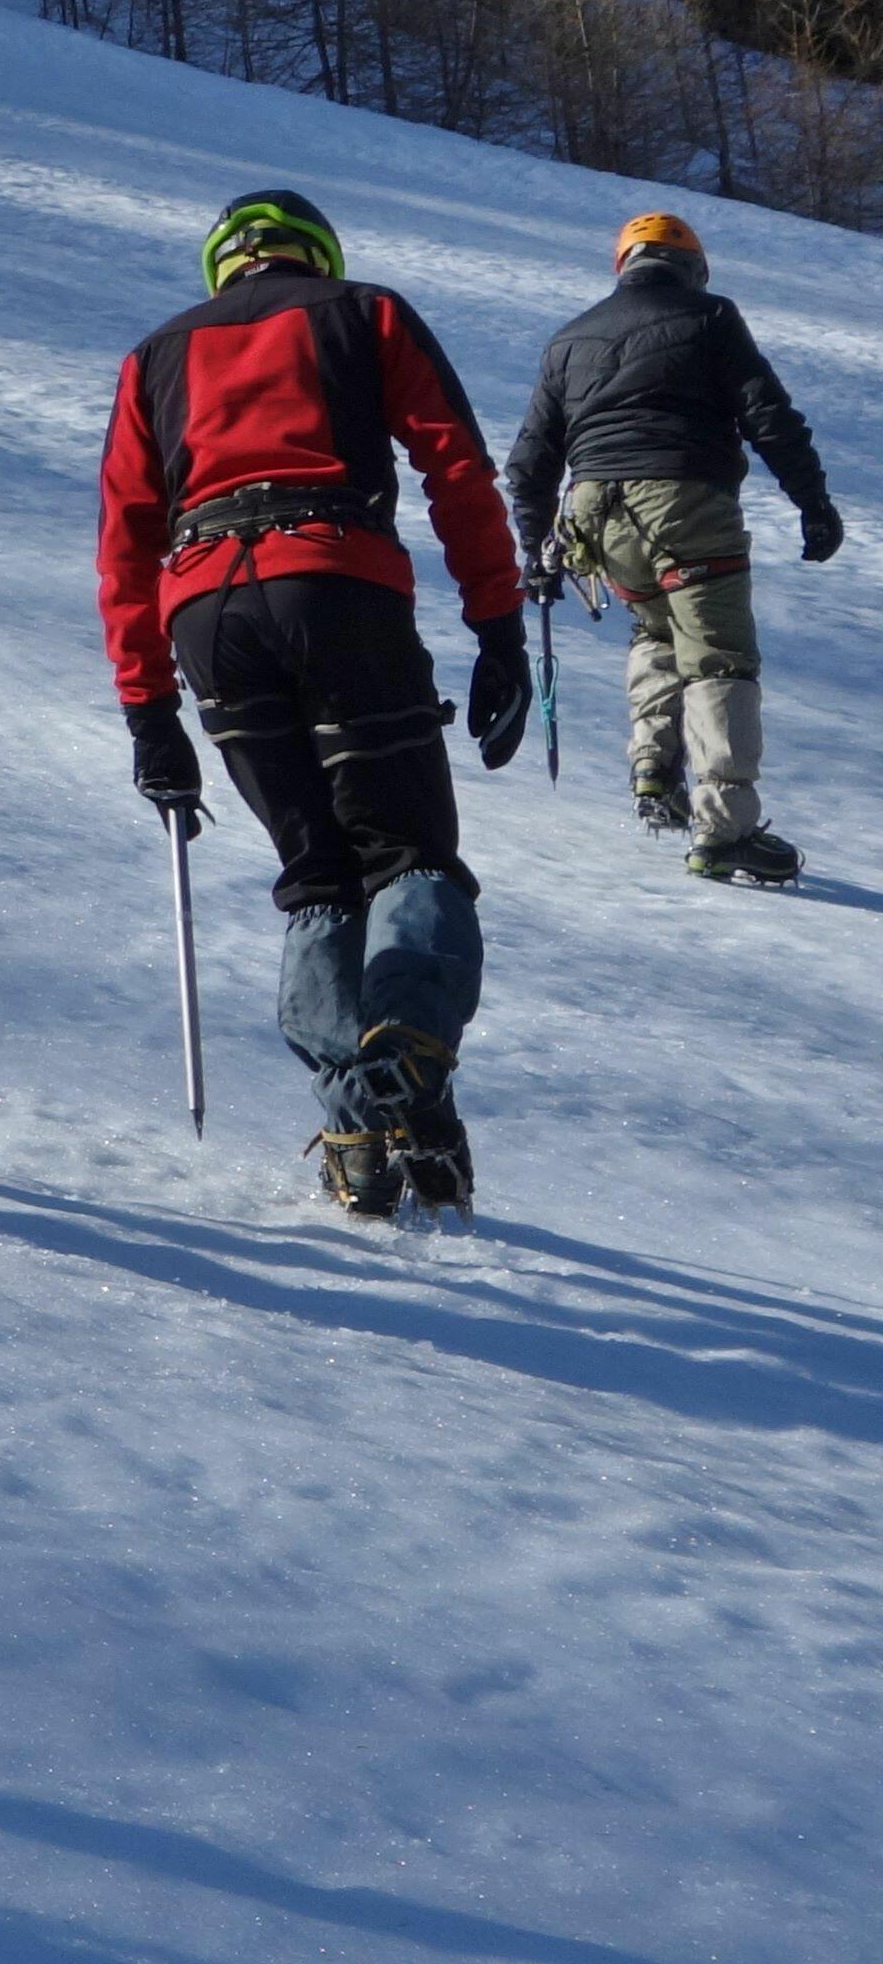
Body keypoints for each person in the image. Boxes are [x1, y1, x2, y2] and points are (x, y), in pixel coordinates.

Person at [94, 189, 524, 1220]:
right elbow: (456, 464)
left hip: (209, 615)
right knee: (407, 853)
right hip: (335, 580)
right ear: (316, 253)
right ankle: (408, 1051)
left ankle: (354, 1132)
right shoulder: (364, 311)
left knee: (317, 872)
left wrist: (151, 716)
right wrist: (499, 626)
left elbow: (125, 537)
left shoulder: (154, 357)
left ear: (222, 264)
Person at [508, 208, 838, 886]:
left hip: (594, 515)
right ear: (692, 269)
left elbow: (531, 460)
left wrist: (534, 549)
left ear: (624, 267)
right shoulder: (710, 317)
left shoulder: (569, 338)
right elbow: (768, 415)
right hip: (684, 501)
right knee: (718, 657)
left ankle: (655, 777)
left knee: (657, 631)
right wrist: (813, 502)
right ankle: (725, 831)